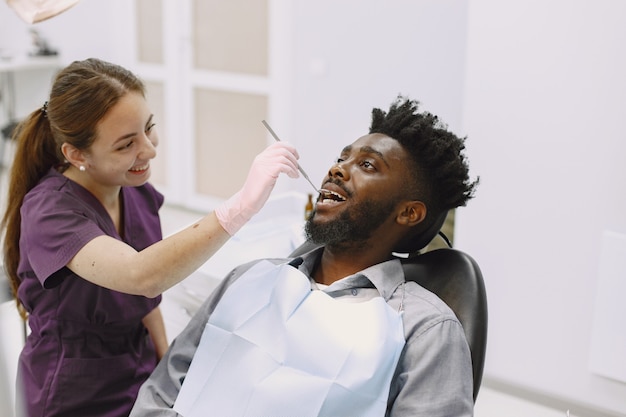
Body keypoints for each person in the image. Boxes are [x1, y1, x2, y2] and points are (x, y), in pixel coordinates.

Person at [130, 96, 479, 417]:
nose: (337, 169)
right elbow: (160, 394)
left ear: (408, 213)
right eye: (342, 158)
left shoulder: (425, 330)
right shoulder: (247, 279)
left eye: (368, 165)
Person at [0, 58, 300, 417]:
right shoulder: (50, 212)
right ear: (77, 154)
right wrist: (239, 208)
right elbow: (141, 276)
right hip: (74, 389)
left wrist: (164, 367)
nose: (149, 150)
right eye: (126, 144)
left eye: (149, 128)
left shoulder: (132, 188)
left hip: (138, 369)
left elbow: (147, 301)